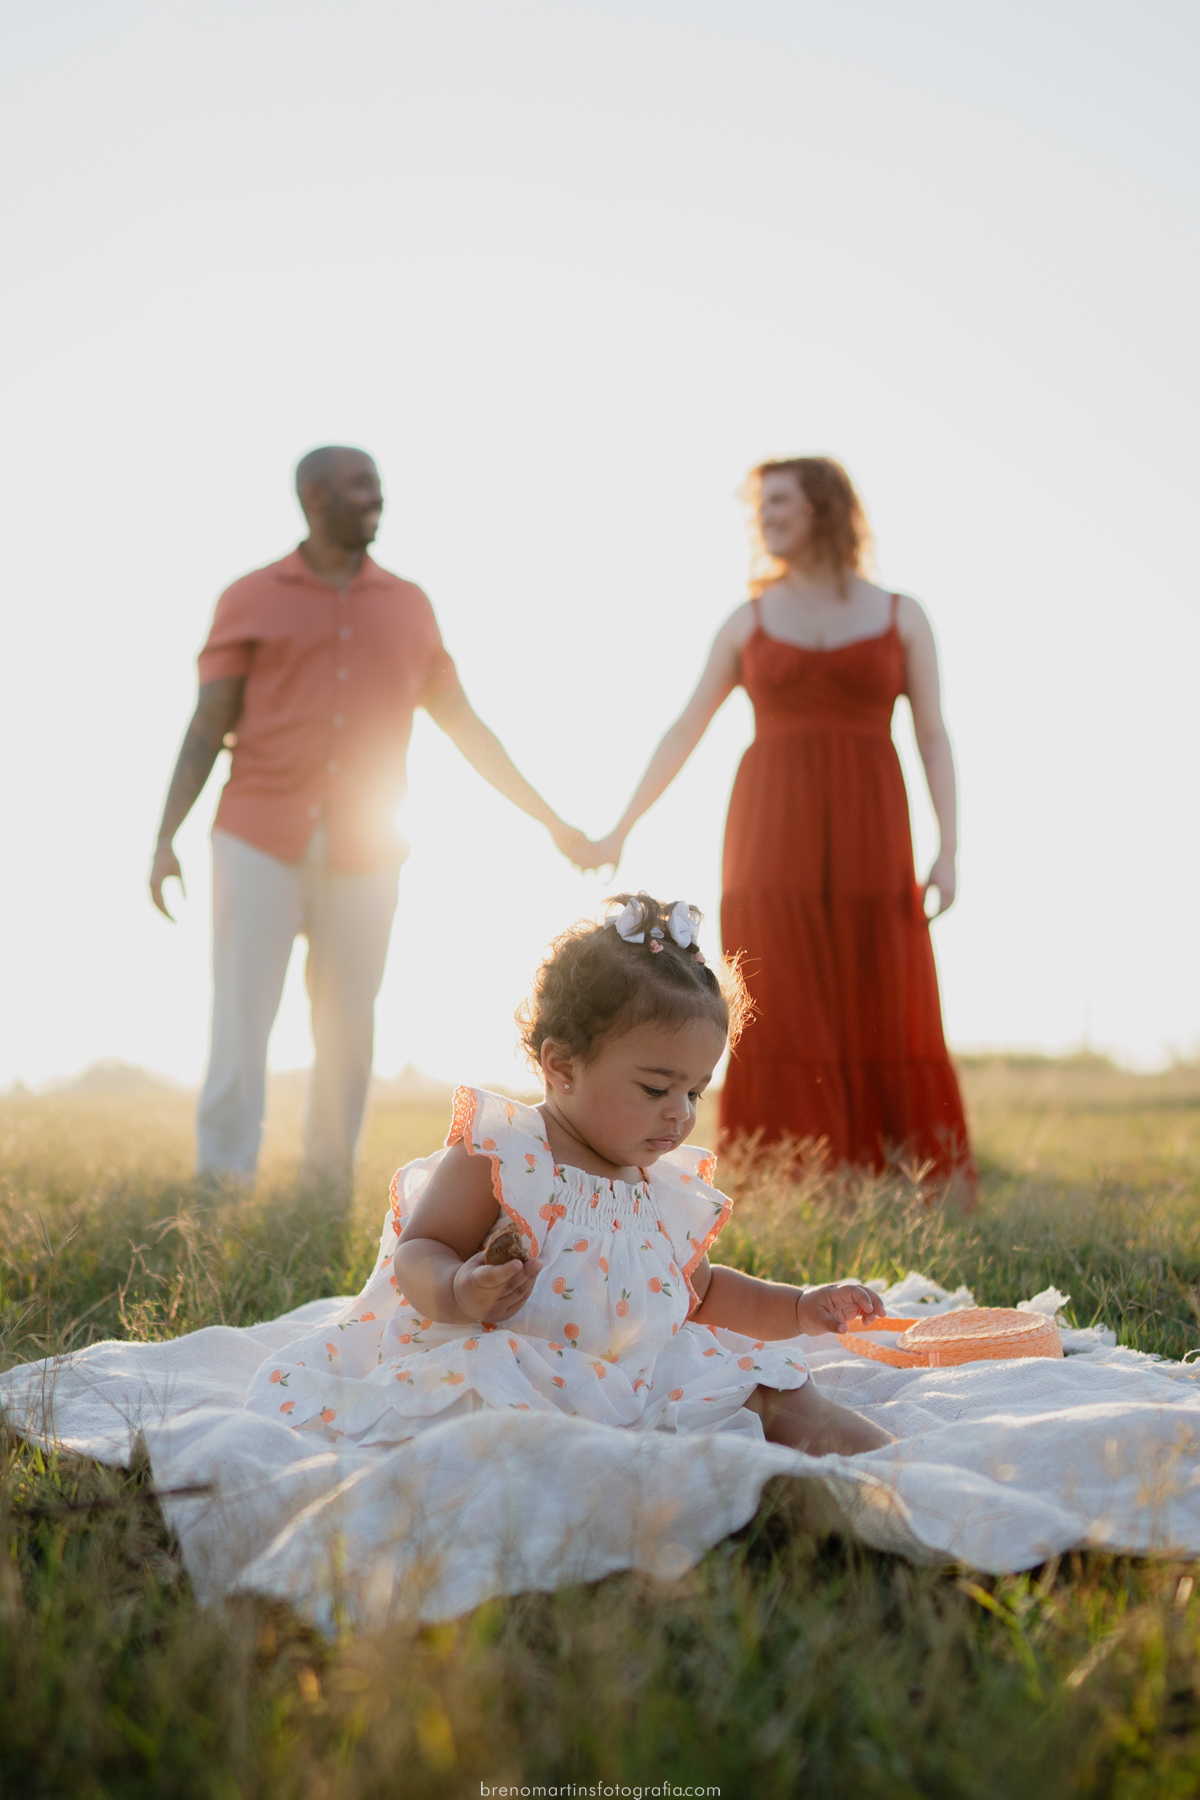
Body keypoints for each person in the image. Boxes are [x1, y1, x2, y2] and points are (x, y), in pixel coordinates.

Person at [242, 892, 894, 1457]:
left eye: (695, 1092)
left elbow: (707, 1293)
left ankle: (903, 1470)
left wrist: (801, 1307)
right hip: (517, 1365)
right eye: (656, 1088)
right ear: (563, 1067)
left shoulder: (659, 1187)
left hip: (630, 1371)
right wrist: (460, 1288)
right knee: (487, 1429)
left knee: (770, 1385)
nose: (681, 1113)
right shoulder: (508, 1155)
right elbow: (421, 1249)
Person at [150, 445, 588, 1191]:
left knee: (349, 1021)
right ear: (314, 497)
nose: (375, 498)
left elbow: (464, 724)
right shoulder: (250, 596)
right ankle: (221, 1178)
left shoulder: (409, 604)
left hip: (370, 840)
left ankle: (326, 1182)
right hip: (257, 833)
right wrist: (166, 839)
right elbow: (207, 722)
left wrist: (548, 819)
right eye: (359, 487)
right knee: (241, 1014)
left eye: (377, 485)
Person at [584, 458, 974, 1186]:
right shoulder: (748, 620)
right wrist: (621, 827)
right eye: (759, 507)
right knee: (778, 988)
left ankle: (900, 1172)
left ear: (824, 508)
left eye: (780, 503)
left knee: (881, 983)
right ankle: (785, 1173)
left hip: (872, 828)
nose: (765, 519)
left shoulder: (902, 614)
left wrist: (949, 848)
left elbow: (933, 734)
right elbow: (685, 728)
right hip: (771, 829)